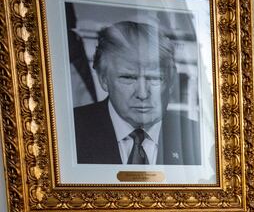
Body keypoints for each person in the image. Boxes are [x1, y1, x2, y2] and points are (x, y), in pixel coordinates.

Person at [73, 21, 200, 165]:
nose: (143, 94)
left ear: (171, 79)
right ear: (103, 79)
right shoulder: (69, 130)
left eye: (154, 78)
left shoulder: (198, 137)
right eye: (128, 77)